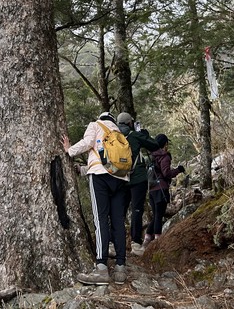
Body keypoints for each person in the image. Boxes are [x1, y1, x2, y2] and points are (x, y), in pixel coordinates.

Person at [63, 112, 129, 285]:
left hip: (100, 177)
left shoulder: (96, 125)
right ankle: (121, 268)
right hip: (121, 177)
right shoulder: (119, 133)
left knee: (100, 221)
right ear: (113, 120)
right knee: (118, 222)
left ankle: (101, 268)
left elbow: (87, 143)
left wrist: (69, 150)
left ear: (101, 118)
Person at [115, 112, 160, 256]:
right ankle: (135, 243)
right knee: (136, 210)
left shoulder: (114, 136)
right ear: (130, 123)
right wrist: (144, 134)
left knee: (119, 211)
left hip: (120, 177)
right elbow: (154, 145)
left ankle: (113, 243)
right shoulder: (135, 135)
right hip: (138, 178)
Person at [144, 133, 185, 247]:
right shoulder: (164, 156)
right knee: (159, 215)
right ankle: (158, 241)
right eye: (167, 143)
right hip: (161, 188)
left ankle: (147, 239)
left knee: (156, 215)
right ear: (165, 144)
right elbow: (166, 173)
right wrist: (178, 170)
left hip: (151, 189)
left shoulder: (152, 156)